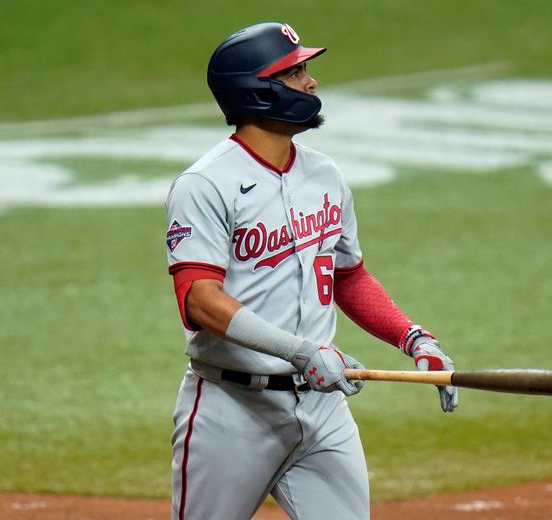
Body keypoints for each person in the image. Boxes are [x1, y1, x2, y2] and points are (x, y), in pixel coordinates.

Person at [164, 21, 458, 520]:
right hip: (232, 412)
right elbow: (199, 299)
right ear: (258, 90)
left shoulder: (325, 175)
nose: (311, 82)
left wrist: (415, 340)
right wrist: (300, 352)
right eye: (295, 72)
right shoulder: (205, 183)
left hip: (323, 408)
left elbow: (349, 277)